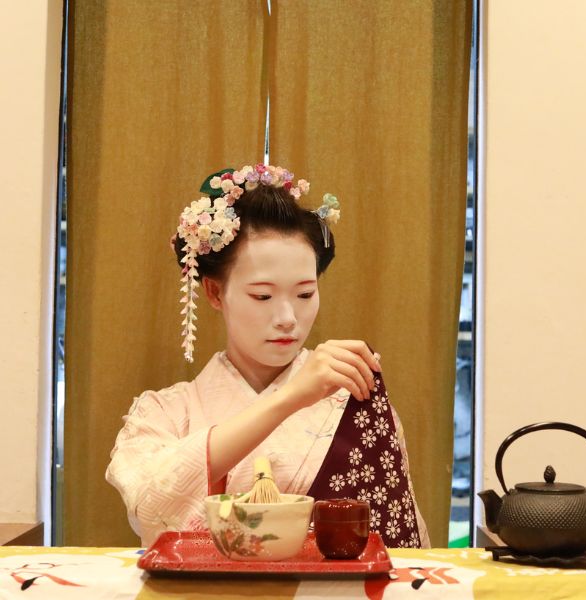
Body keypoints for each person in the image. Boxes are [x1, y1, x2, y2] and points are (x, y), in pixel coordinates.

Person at [106, 163, 429, 548]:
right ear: (213, 293)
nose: (288, 319)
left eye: (305, 294)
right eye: (262, 296)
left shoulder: (350, 396)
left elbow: (399, 542)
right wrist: (290, 399)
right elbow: (152, 507)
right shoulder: (164, 413)